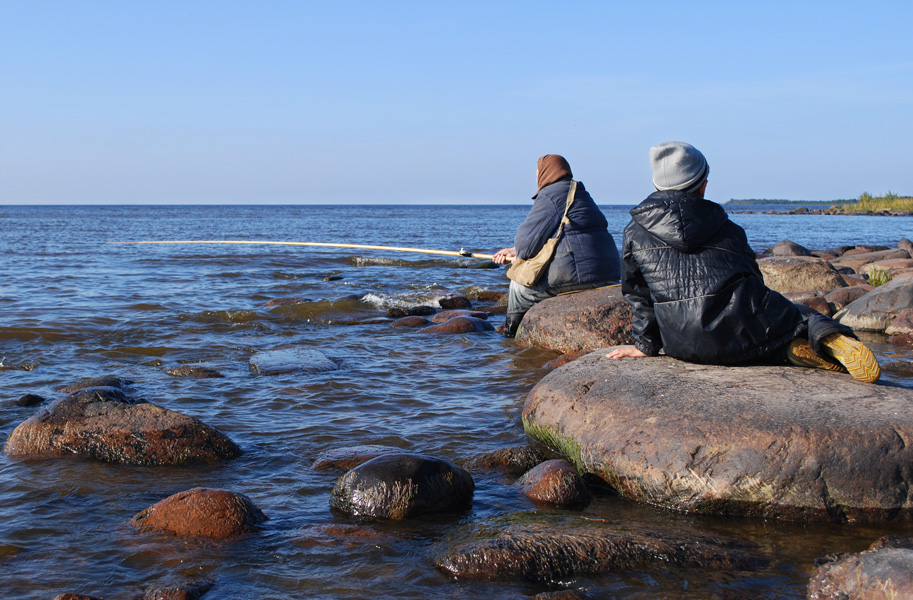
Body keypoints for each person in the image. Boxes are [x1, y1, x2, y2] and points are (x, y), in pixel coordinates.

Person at [605, 141, 880, 383]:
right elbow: (752, 279)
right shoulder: (727, 226)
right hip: (742, 332)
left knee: (764, 331)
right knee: (801, 316)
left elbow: (638, 294)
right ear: (703, 185)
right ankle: (812, 343)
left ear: (657, 186)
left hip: (682, 343)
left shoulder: (634, 231)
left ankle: (787, 350)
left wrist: (645, 344)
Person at [493, 154, 620, 337]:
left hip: (583, 277)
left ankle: (512, 338)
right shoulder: (580, 192)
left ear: (545, 172)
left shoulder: (552, 194)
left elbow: (526, 242)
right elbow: (569, 236)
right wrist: (516, 252)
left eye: (538, 172)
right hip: (610, 274)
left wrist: (519, 252)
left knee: (519, 288)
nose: (536, 176)